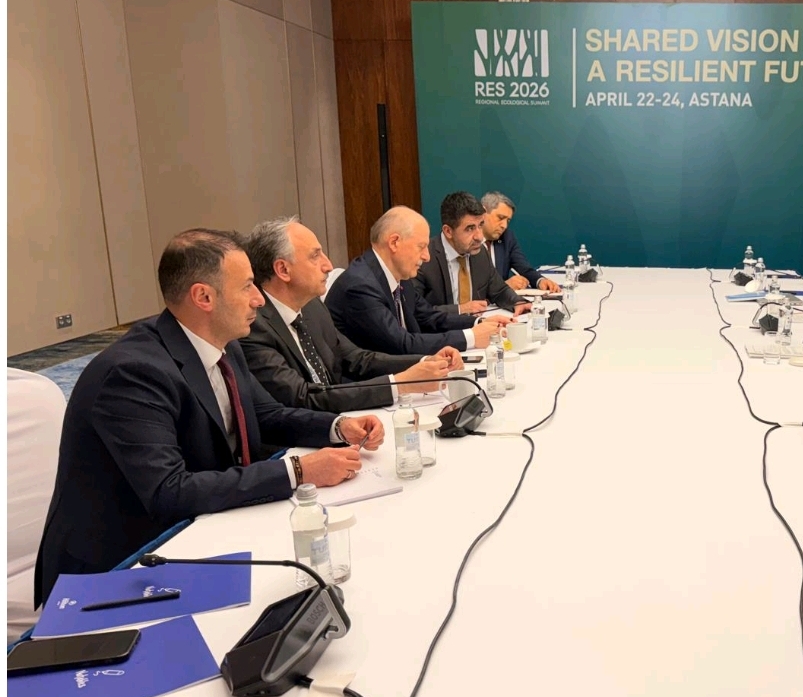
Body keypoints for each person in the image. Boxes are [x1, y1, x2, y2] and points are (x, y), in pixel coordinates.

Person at [35, 230, 383, 605]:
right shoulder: (132, 373)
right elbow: (170, 491)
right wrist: (298, 471)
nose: (259, 299)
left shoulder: (223, 343)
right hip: (117, 570)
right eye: (247, 286)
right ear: (204, 297)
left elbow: (266, 415)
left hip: (199, 531)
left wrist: (337, 427)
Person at [241, 216, 459, 412]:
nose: (328, 265)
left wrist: (426, 361)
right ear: (283, 270)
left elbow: (357, 360)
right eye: (315, 256)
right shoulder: (254, 327)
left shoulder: (312, 307)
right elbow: (303, 397)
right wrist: (400, 384)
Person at [326, 206, 510, 357]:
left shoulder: (400, 276)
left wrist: (479, 323)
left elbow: (429, 317)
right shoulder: (361, 286)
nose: (427, 256)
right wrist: (471, 337)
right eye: (421, 247)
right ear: (394, 243)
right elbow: (401, 344)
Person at [414, 191, 528, 316]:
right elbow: (416, 310)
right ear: (448, 231)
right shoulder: (423, 259)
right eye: (470, 228)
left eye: (481, 225)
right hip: (442, 328)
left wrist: (518, 302)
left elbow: (499, 291)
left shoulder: (480, 252)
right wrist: (460, 309)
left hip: (479, 325)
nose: (479, 237)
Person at [480, 192, 560, 293]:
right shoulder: (468, 241)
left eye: (508, 221)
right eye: (500, 218)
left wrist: (540, 281)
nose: (504, 226)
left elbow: (524, 268)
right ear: (483, 213)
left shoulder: (507, 237)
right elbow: (471, 290)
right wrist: (503, 286)